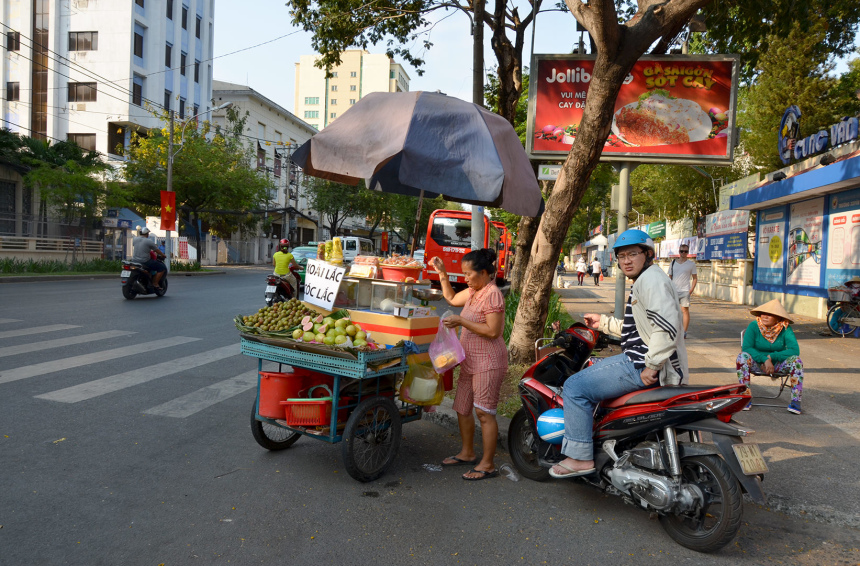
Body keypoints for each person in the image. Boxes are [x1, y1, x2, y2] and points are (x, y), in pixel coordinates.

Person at [550, 229, 687, 478]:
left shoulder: (651, 280)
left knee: (574, 387)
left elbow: (667, 326)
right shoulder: (646, 279)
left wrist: (652, 366)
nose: (626, 260)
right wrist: (602, 322)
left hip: (638, 364)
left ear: (648, 255)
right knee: (594, 365)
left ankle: (579, 458)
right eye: (621, 255)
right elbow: (637, 327)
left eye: (633, 254)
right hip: (639, 359)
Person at [430, 249, 507, 481]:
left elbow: (494, 331)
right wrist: (442, 273)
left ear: (483, 272)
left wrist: (461, 320)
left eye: (468, 274)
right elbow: (452, 299)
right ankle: (467, 453)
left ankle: (488, 464)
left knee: (484, 412)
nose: (465, 278)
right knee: (462, 407)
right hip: (469, 360)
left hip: (489, 361)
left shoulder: (492, 294)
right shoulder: (475, 291)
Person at [737, 299, 804, 414]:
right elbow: (747, 348)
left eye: (770, 314)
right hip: (757, 363)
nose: (765, 316)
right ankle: (745, 397)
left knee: (796, 361)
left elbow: (794, 350)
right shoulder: (754, 326)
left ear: (778, 318)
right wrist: (764, 359)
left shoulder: (785, 328)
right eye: (763, 313)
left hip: (778, 364)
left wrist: (772, 357)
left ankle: (795, 401)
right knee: (742, 357)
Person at [669, 244, 697, 338]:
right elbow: (670, 277)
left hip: (685, 291)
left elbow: (695, 278)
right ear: (679, 252)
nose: (683, 253)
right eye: (681, 251)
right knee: (673, 311)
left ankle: (684, 331)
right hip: (674, 290)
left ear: (688, 253)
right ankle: (674, 329)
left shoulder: (691, 264)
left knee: (685, 311)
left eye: (685, 251)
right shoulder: (673, 263)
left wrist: (691, 290)